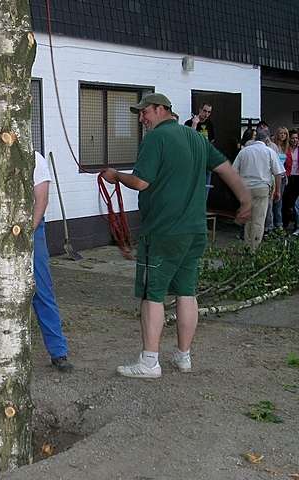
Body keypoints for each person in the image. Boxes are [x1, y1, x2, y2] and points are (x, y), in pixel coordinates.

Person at [101, 93, 250, 379]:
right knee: (186, 293)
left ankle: (149, 362)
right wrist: (245, 200)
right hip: (194, 231)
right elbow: (227, 170)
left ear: (161, 110)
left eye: (145, 112)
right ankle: (183, 356)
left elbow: (142, 182)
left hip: (162, 231)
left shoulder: (156, 139)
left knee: (152, 295)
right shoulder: (196, 138)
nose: (142, 118)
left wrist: (116, 175)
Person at [0, 151, 73, 372]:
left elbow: (41, 201)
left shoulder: (35, 161)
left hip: (30, 232)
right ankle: (2, 350)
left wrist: (25, 234)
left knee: (41, 290)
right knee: (1, 292)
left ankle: (58, 351)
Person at [233, 130, 283, 249]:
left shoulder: (244, 152)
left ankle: (247, 244)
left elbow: (233, 171)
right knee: (259, 219)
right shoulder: (269, 151)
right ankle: (254, 247)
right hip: (262, 188)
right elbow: (278, 174)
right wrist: (278, 191)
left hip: (246, 188)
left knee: (248, 219)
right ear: (266, 140)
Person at [282, 129, 299, 231]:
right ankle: (285, 224)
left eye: (296, 138)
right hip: (288, 177)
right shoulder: (286, 149)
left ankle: (296, 225)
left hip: (298, 177)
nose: (294, 140)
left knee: (296, 203)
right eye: (292, 138)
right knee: (287, 201)